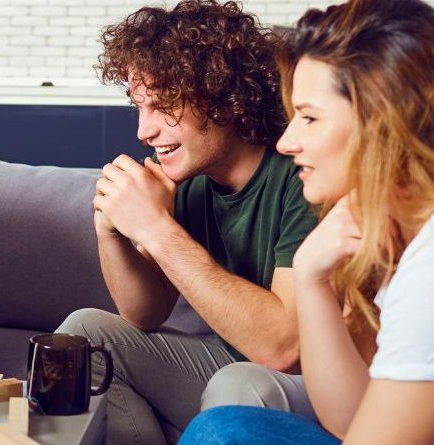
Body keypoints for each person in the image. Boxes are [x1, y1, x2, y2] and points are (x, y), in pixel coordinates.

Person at [180, 0, 434, 443]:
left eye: (309, 118)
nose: (287, 141)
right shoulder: (399, 238)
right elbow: (348, 418)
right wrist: (312, 276)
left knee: (223, 433)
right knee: (229, 426)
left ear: (385, 123)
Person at [55, 1, 320, 443]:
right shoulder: (193, 184)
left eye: (161, 106)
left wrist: (158, 229)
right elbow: (144, 313)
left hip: (312, 383)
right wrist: (112, 229)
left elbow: (282, 348)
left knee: (236, 384)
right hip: (233, 368)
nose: (143, 130)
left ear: (224, 98)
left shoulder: (302, 175)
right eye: (139, 107)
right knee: (84, 333)